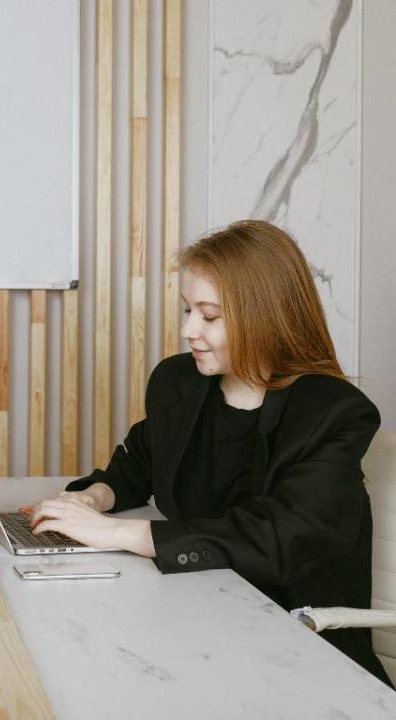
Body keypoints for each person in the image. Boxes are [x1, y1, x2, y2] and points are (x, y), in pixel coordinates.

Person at [26, 220, 391, 686]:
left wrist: (118, 533)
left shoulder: (334, 412)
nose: (187, 330)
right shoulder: (179, 381)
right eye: (187, 310)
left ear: (266, 315)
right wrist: (93, 499)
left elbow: (277, 538)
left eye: (209, 316)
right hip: (194, 617)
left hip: (299, 650)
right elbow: (140, 462)